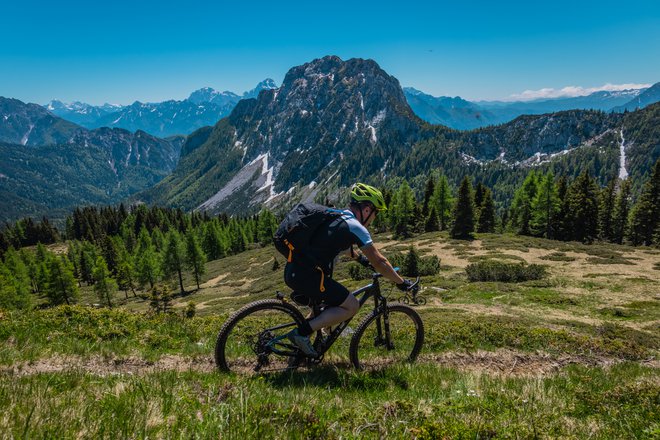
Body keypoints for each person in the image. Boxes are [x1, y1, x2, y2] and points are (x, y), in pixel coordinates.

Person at [284, 183, 414, 356]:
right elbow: (380, 262)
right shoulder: (356, 227)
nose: (374, 218)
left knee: (326, 306)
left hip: (295, 270)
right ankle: (301, 334)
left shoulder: (337, 216)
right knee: (351, 305)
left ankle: (300, 354)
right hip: (308, 276)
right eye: (375, 213)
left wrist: (361, 259)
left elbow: (342, 246)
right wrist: (402, 282)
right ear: (367, 209)